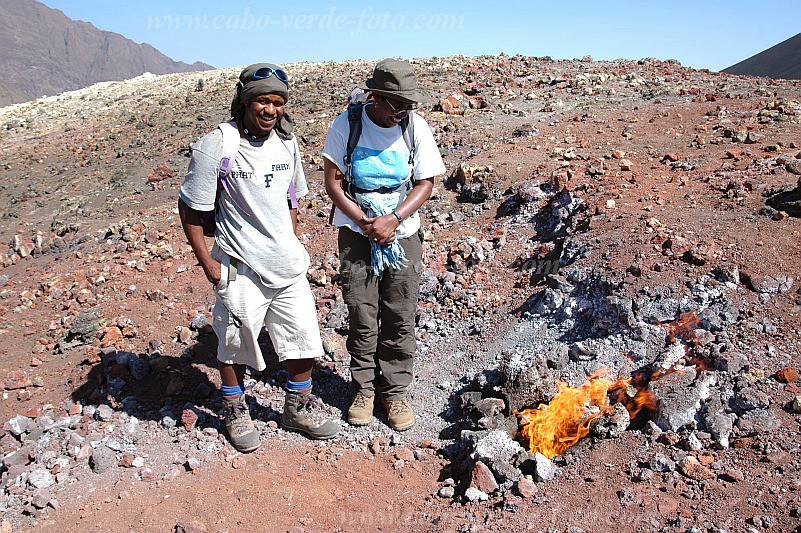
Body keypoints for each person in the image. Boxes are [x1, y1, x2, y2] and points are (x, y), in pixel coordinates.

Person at [178, 63, 340, 452]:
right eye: (262, 101)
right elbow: (190, 210)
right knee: (233, 342)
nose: (270, 110)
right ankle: (234, 408)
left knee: (304, 337)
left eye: (278, 102)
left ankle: (297, 406)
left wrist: (289, 239)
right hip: (239, 265)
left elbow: (291, 198)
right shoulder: (217, 144)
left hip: (285, 265)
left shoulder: (288, 144)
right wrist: (210, 265)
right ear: (245, 101)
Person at [322, 59, 446, 430]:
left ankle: (394, 392)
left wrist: (393, 219)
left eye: (408, 105)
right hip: (357, 231)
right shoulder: (347, 124)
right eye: (396, 105)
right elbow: (333, 184)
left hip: (402, 233)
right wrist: (365, 223)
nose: (402, 113)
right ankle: (363, 389)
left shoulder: (414, 126)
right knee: (362, 313)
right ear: (375, 97)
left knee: (399, 313)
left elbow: (426, 181)